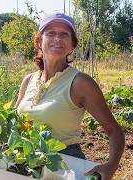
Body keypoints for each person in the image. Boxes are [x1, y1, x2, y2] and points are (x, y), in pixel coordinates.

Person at [14, 13, 125, 180]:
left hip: (64, 165)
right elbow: (14, 123)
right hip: (26, 162)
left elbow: (114, 130)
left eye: (64, 34)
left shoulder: (80, 83)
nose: (57, 38)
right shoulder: (28, 80)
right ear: (38, 41)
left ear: (72, 45)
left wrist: (111, 166)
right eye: (51, 33)